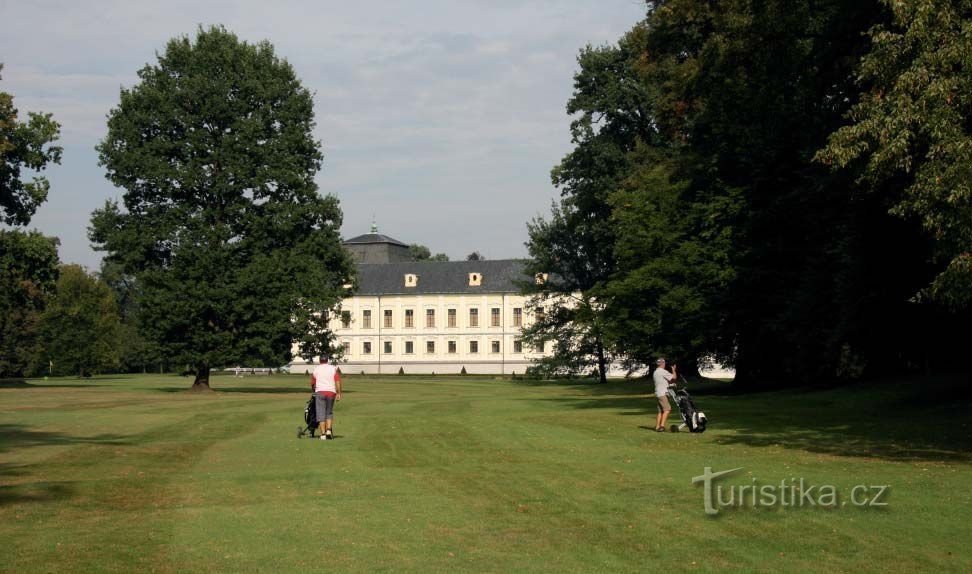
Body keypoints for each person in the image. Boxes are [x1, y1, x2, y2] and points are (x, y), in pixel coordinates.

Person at [310, 355, 342, 440]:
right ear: (327, 360)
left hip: (320, 392)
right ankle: (328, 430)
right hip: (331, 392)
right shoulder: (333, 368)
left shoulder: (316, 369)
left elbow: (313, 383)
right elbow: (337, 381)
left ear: (320, 361)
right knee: (329, 412)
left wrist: (314, 390)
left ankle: (323, 434)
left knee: (321, 413)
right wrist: (339, 393)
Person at [652, 358, 677, 432]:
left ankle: (657, 426)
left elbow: (664, 381)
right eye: (664, 363)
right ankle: (662, 426)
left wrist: (670, 383)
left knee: (660, 411)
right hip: (663, 393)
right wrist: (673, 369)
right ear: (662, 364)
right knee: (667, 409)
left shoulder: (655, 372)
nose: (665, 364)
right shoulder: (663, 371)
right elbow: (674, 377)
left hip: (658, 393)